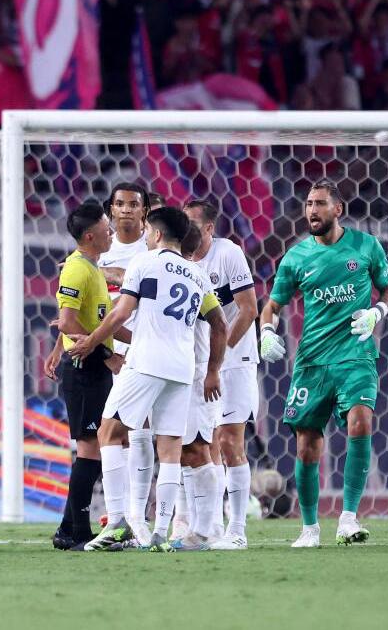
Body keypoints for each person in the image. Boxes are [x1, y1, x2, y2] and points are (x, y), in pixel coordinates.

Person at [70, 207, 225, 552]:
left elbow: (121, 312)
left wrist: (92, 341)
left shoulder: (144, 262)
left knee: (109, 431)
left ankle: (118, 522)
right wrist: (213, 369)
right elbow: (220, 324)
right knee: (169, 449)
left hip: (146, 361)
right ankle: (160, 533)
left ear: (155, 235)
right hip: (182, 369)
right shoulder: (197, 274)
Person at [259, 179, 388, 548]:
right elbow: (272, 305)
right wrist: (267, 332)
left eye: (320, 203)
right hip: (313, 361)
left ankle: (349, 518)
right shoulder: (296, 257)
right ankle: (309, 529)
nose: (312, 210)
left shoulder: (366, 246)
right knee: (307, 445)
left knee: (361, 420)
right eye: (308, 203)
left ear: (338, 209)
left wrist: (377, 312)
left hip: (356, 353)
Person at [46, 202, 124, 550]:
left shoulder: (92, 267)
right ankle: (77, 531)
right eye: (107, 227)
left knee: (96, 444)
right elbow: (67, 322)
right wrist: (106, 356)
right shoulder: (77, 269)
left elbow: (97, 322)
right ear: (90, 235)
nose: (112, 232)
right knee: (90, 445)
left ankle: (69, 527)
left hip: (89, 363)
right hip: (85, 367)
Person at [183, 199, 260, 550]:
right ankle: (210, 527)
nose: (187, 232)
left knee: (230, 440)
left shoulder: (229, 254)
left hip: (234, 357)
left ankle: (238, 529)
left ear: (210, 228)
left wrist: (220, 355)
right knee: (205, 441)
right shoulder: (181, 262)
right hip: (201, 363)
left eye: (195, 226)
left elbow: (249, 310)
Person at [95, 182, 154, 544]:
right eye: (120, 204)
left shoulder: (155, 246)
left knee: (145, 430)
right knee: (118, 432)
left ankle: (136, 515)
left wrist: (110, 275)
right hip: (111, 352)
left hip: (149, 348)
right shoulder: (103, 249)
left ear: (145, 210)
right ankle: (128, 517)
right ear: (111, 210)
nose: (127, 210)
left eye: (134, 204)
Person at [170, 223, 228, 551]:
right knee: (185, 451)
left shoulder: (192, 275)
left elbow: (220, 324)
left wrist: (212, 372)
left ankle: (207, 531)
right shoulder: (187, 272)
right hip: (183, 375)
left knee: (199, 448)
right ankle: (197, 528)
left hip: (194, 378)